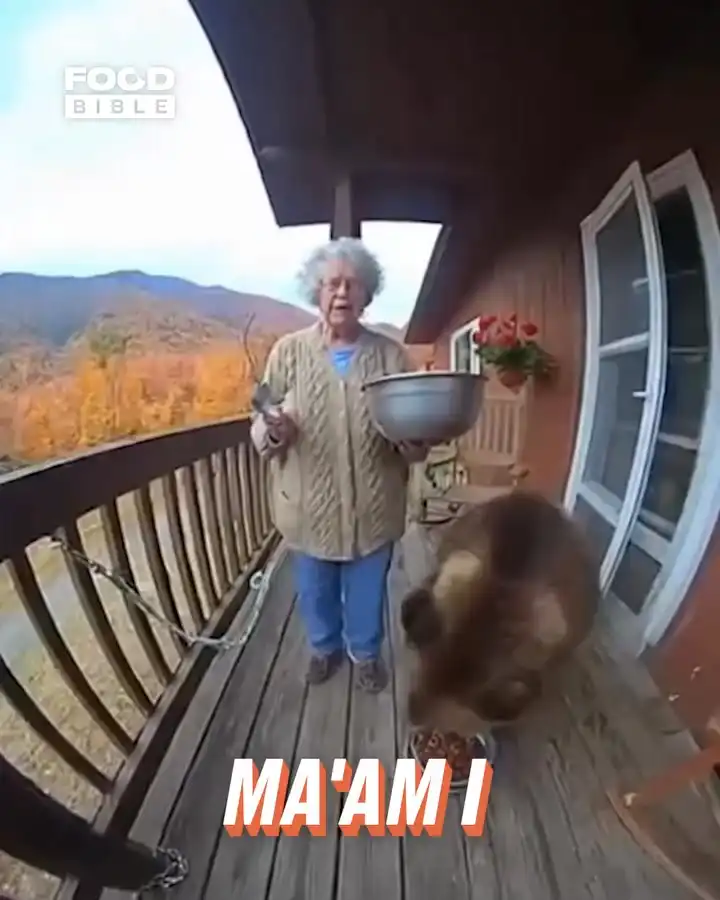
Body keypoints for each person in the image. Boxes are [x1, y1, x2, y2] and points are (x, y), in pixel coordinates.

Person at [250, 237, 429, 692]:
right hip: (307, 510)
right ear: (317, 292)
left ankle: (364, 653)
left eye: (353, 284)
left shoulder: (391, 356)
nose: (342, 293)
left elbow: (415, 436)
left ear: (367, 295)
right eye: (333, 284)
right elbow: (261, 418)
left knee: (368, 596)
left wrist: (414, 443)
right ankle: (324, 648)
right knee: (315, 595)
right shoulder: (287, 353)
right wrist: (273, 431)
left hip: (375, 510)